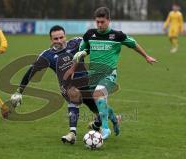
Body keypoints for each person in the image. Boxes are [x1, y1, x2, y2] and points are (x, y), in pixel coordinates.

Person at [10, 25, 120, 144]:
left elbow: (94, 44)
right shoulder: (47, 56)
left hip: (86, 84)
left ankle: (111, 121)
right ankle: (72, 133)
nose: (59, 41)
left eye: (61, 37)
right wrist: (19, 91)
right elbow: (31, 72)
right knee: (73, 93)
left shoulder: (77, 43)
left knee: (100, 112)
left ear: (65, 36)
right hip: (67, 87)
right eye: (55, 39)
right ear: (51, 40)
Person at [64, 7, 157, 139]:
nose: (100, 25)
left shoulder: (117, 35)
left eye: (102, 22)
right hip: (93, 75)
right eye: (97, 22)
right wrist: (73, 69)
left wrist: (146, 56)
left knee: (98, 96)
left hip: (109, 74)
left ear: (109, 20)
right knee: (100, 104)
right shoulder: (90, 34)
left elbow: (133, 43)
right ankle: (115, 120)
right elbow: (80, 53)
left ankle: (105, 130)